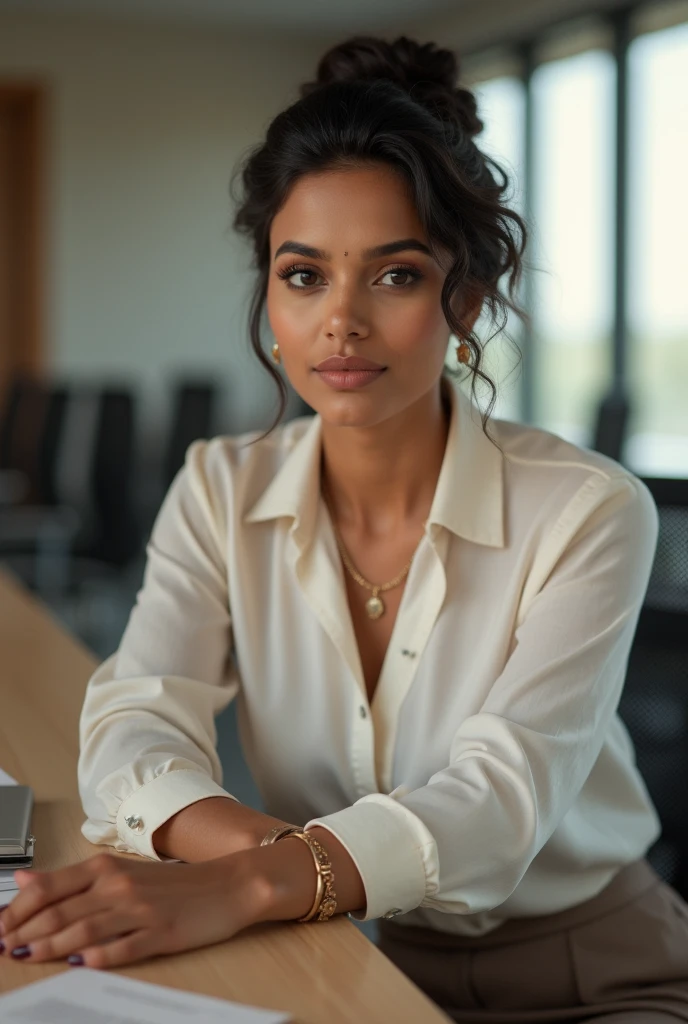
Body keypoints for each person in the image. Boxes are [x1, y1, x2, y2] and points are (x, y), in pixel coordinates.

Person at [1, 33, 687, 1022]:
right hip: (347, 943)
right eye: (304, 274)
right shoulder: (219, 486)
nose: (341, 323)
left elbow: (496, 806)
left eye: (396, 275)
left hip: (590, 972)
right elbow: (133, 720)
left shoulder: (587, 507)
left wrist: (249, 884)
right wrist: (271, 868)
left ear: (468, 297)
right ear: (269, 295)